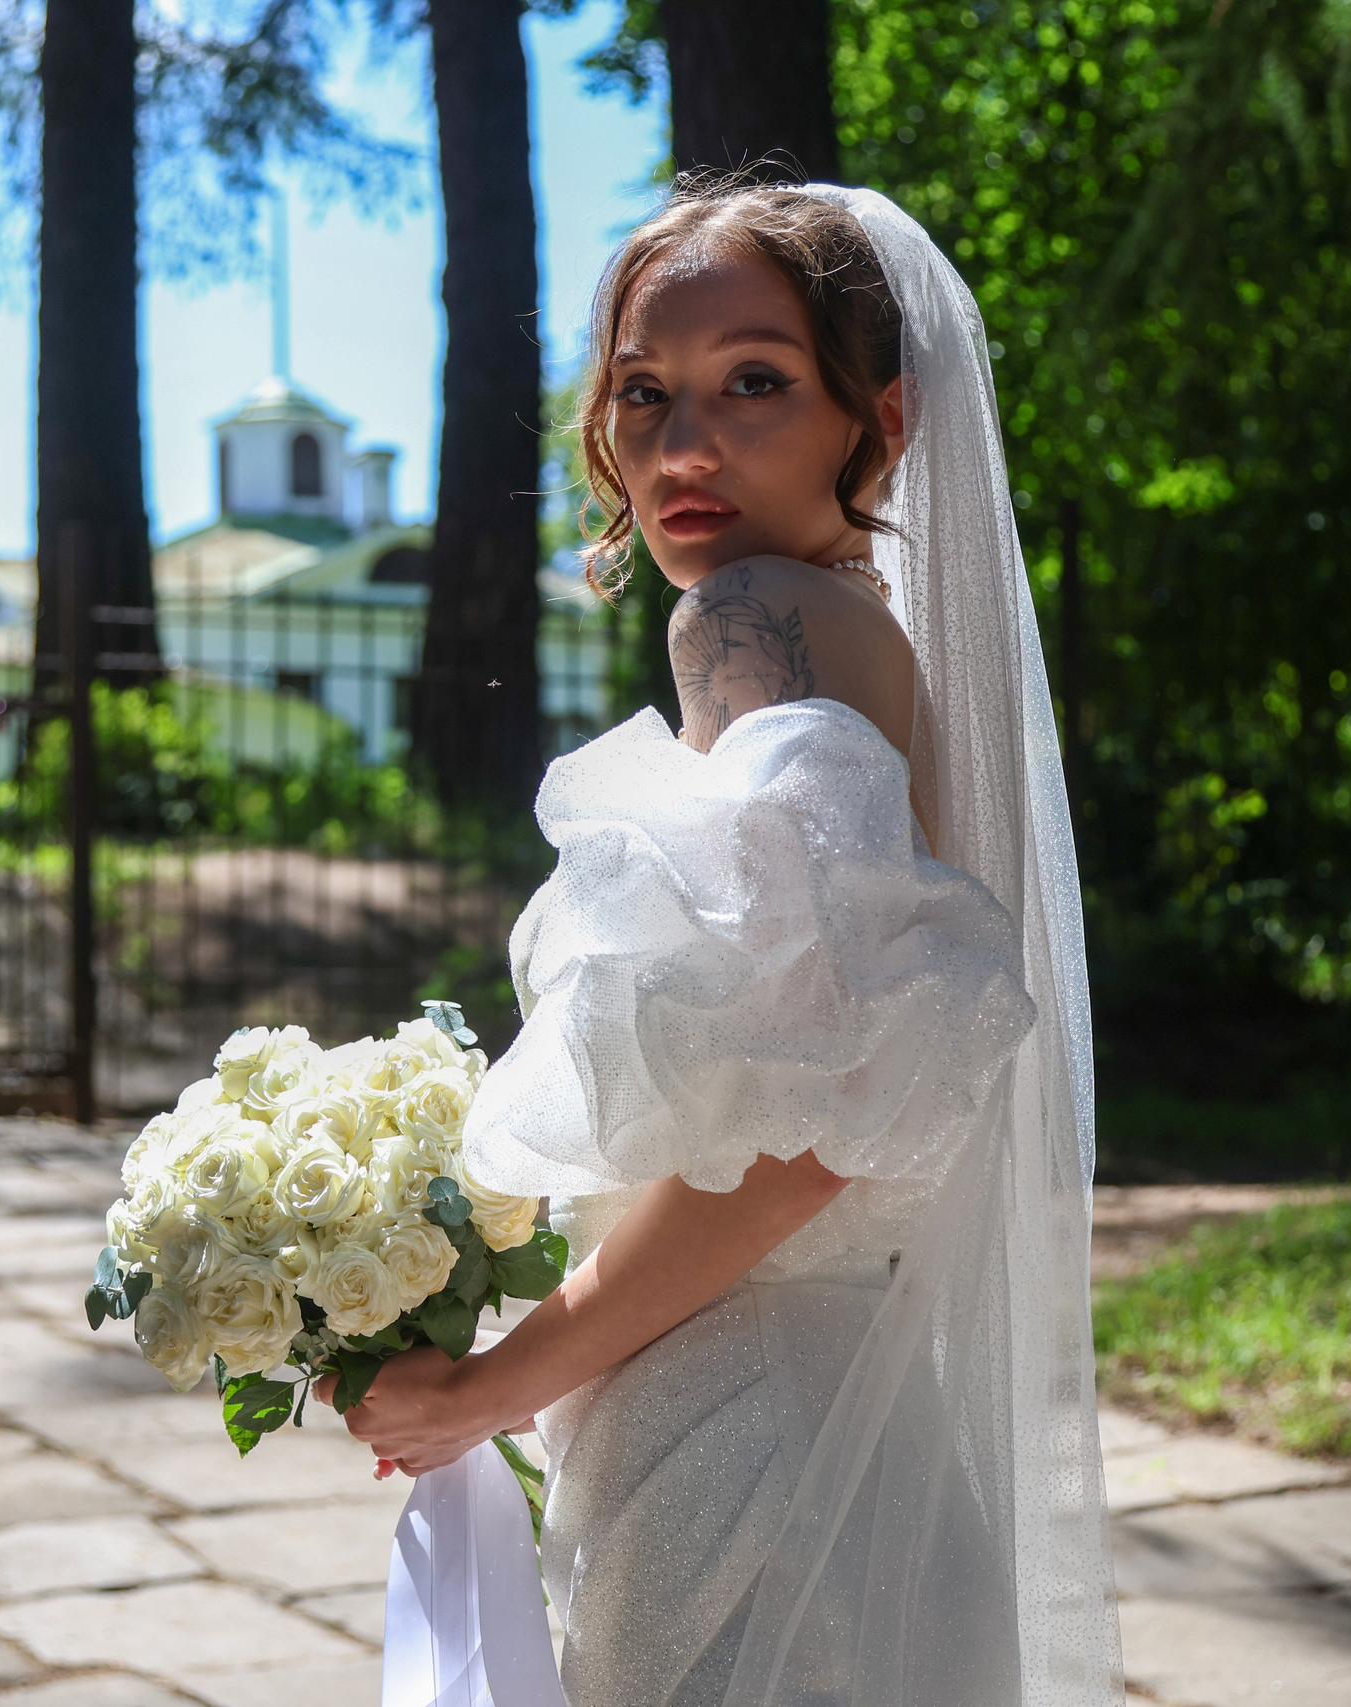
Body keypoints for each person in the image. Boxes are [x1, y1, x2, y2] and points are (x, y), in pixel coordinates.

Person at [324, 177, 1123, 1707]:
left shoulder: (756, 620)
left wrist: (492, 1388)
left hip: (739, 1434)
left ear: (873, 419)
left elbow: (807, 1140)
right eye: (645, 393)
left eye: (754, 383)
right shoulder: (863, 629)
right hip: (835, 1412)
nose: (682, 448)